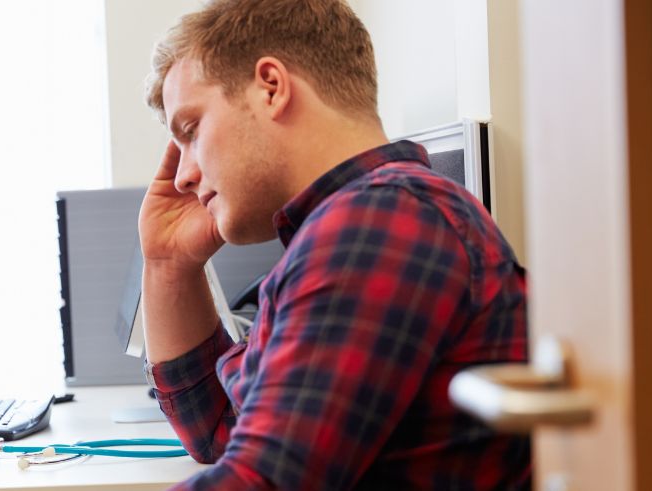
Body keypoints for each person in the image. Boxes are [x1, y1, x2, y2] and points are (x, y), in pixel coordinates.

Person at [138, 0, 530, 489]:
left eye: (191, 131)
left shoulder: (383, 220)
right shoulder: (357, 222)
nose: (182, 177)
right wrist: (167, 264)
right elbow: (220, 430)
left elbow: (263, 481)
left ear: (271, 87)